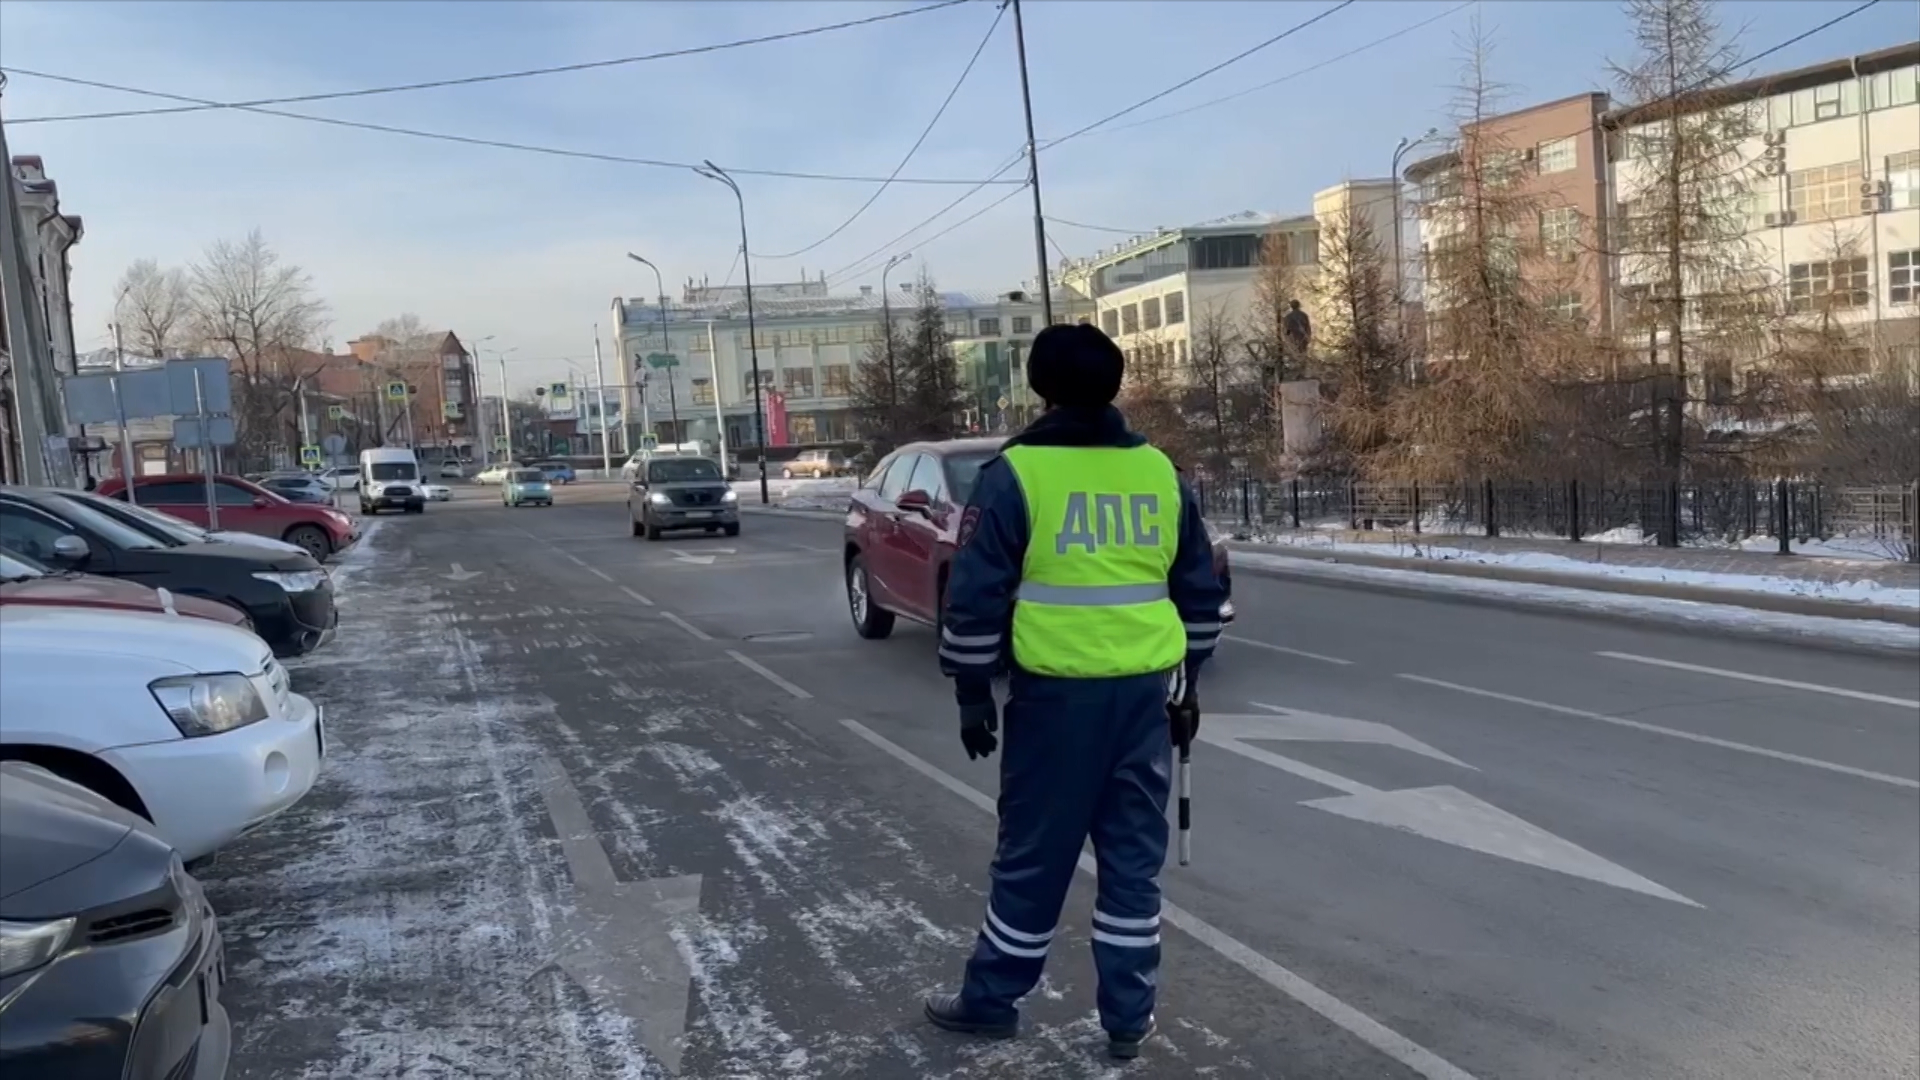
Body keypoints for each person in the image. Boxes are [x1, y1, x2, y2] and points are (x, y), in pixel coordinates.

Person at [923, 323, 1226, 1059]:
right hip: (1145, 702)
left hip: (1057, 707)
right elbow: (1198, 594)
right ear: (1115, 385)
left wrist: (971, 691)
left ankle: (992, 999)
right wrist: (1186, 688)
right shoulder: (1161, 474)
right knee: (1131, 862)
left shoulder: (1016, 476)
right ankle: (1128, 1018)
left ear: (1040, 387)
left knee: (1033, 857)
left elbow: (975, 597)